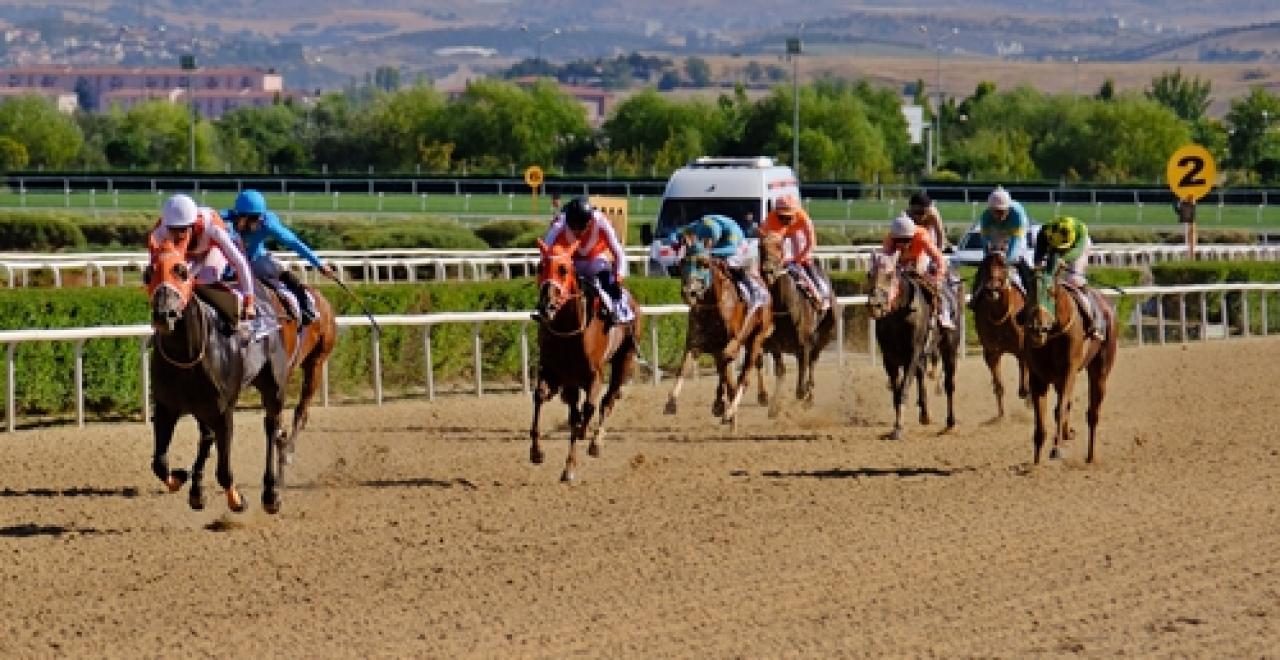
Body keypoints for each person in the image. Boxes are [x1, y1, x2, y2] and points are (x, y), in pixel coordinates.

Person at [223, 189, 334, 325]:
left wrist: (319, 264)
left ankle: (305, 304)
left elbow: (293, 242)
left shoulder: (268, 223)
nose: (259, 221)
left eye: (260, 217)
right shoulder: (226, 219)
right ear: (241, 216)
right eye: (255, 218)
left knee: (278, 269)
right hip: (231, 263)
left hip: (257, 260)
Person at [150, 193, 257, 323]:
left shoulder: (212, 227)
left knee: (205, 278)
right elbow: (155, 271)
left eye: (182, 230)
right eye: (173, 230)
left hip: (211, 251)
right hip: (187, 255)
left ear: (193, 224)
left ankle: (232, 314)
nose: (177, 235)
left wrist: (249, 301)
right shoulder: (159, 233)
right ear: (166, 225)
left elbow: (239, 262)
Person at [538, 196, 632, 324]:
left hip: (596, 262)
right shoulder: (560, 224)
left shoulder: (602, 222)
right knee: (552, 284)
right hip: (572, 264)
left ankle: (620, 311)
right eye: (573, 227)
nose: (577, 231)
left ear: (590, 221)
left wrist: (619, 275)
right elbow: (546, 252)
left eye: (581, 227)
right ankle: (543, 308)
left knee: (610, 285)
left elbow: (618, 252)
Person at [666, 214, 767, 314]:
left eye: (708, 241)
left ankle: (755, 291)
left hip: (737, 246)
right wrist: (674, 242)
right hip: (713, 246)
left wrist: (708, 252)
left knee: (731, 262)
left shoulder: (731, 230)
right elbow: (674, 233)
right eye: (703, 240)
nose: (706, 243)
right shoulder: (697, 226)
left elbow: (731, 249)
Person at [878, 212, 955, 329]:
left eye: (906, 240)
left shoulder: (922, 236)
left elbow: (939, 259)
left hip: (920, 257)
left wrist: (938, 278)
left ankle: (944, 314)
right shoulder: (889, 239)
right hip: (899, 260)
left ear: (912, 236)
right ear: (893, 237)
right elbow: (885, 261)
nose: (901, 244)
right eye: (898, 240)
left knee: (932, 283)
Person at [1034, 215, 1104, 340]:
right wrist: (1039, 264)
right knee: (1040, 280)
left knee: (1074, 280)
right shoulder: (1044, 231)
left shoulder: (1080, 231)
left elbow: (1076, 252)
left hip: (1078, 248)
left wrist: (1063, 259)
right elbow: (1039, 252)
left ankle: (1094, 323)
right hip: (1054, 249)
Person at [760, 194, 832, 310]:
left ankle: (821, 292)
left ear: (795, 213)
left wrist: (799, 259)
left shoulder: (803, 217)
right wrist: (779, 260)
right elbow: (768, 245)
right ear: (776, 213)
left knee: (804, 262)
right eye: (781, 217)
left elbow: (811, 243)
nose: (785, 220)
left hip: (798, 232)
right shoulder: (770, 220)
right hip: (779, 235)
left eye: (788, 217)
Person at [978, 186, 1034, 292]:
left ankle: (1030, 291)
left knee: (1021, 259)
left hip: (1015, 232)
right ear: (990, 209)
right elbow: (985, 241)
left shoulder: (1018, 215)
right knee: (989, 261)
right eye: (995, 212)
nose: (999, 215)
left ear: (1008, 208)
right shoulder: (985, 217)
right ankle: (976, 292)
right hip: (997, 230)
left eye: (1002, 211)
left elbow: (1015, 243)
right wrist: (989, 257)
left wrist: (1006, 261)